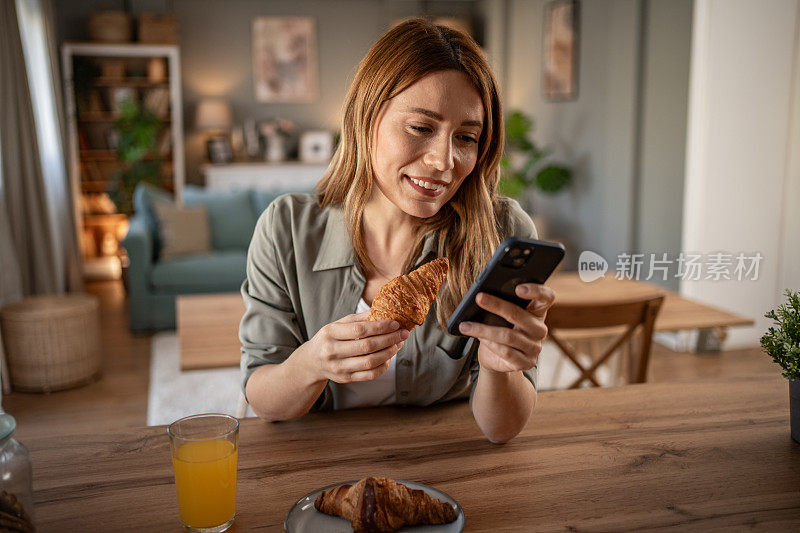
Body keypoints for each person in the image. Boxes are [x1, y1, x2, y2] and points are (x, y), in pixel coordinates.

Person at [239, 18, 556, 444]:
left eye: (465, 137)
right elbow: (264, 401)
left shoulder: (503, 233)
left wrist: (503, 365)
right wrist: (313, 362)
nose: (444, 161)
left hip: (445, 469)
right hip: (318, 471)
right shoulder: (286, 229)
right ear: (366, 117)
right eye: (421, 128)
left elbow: (501, 430)